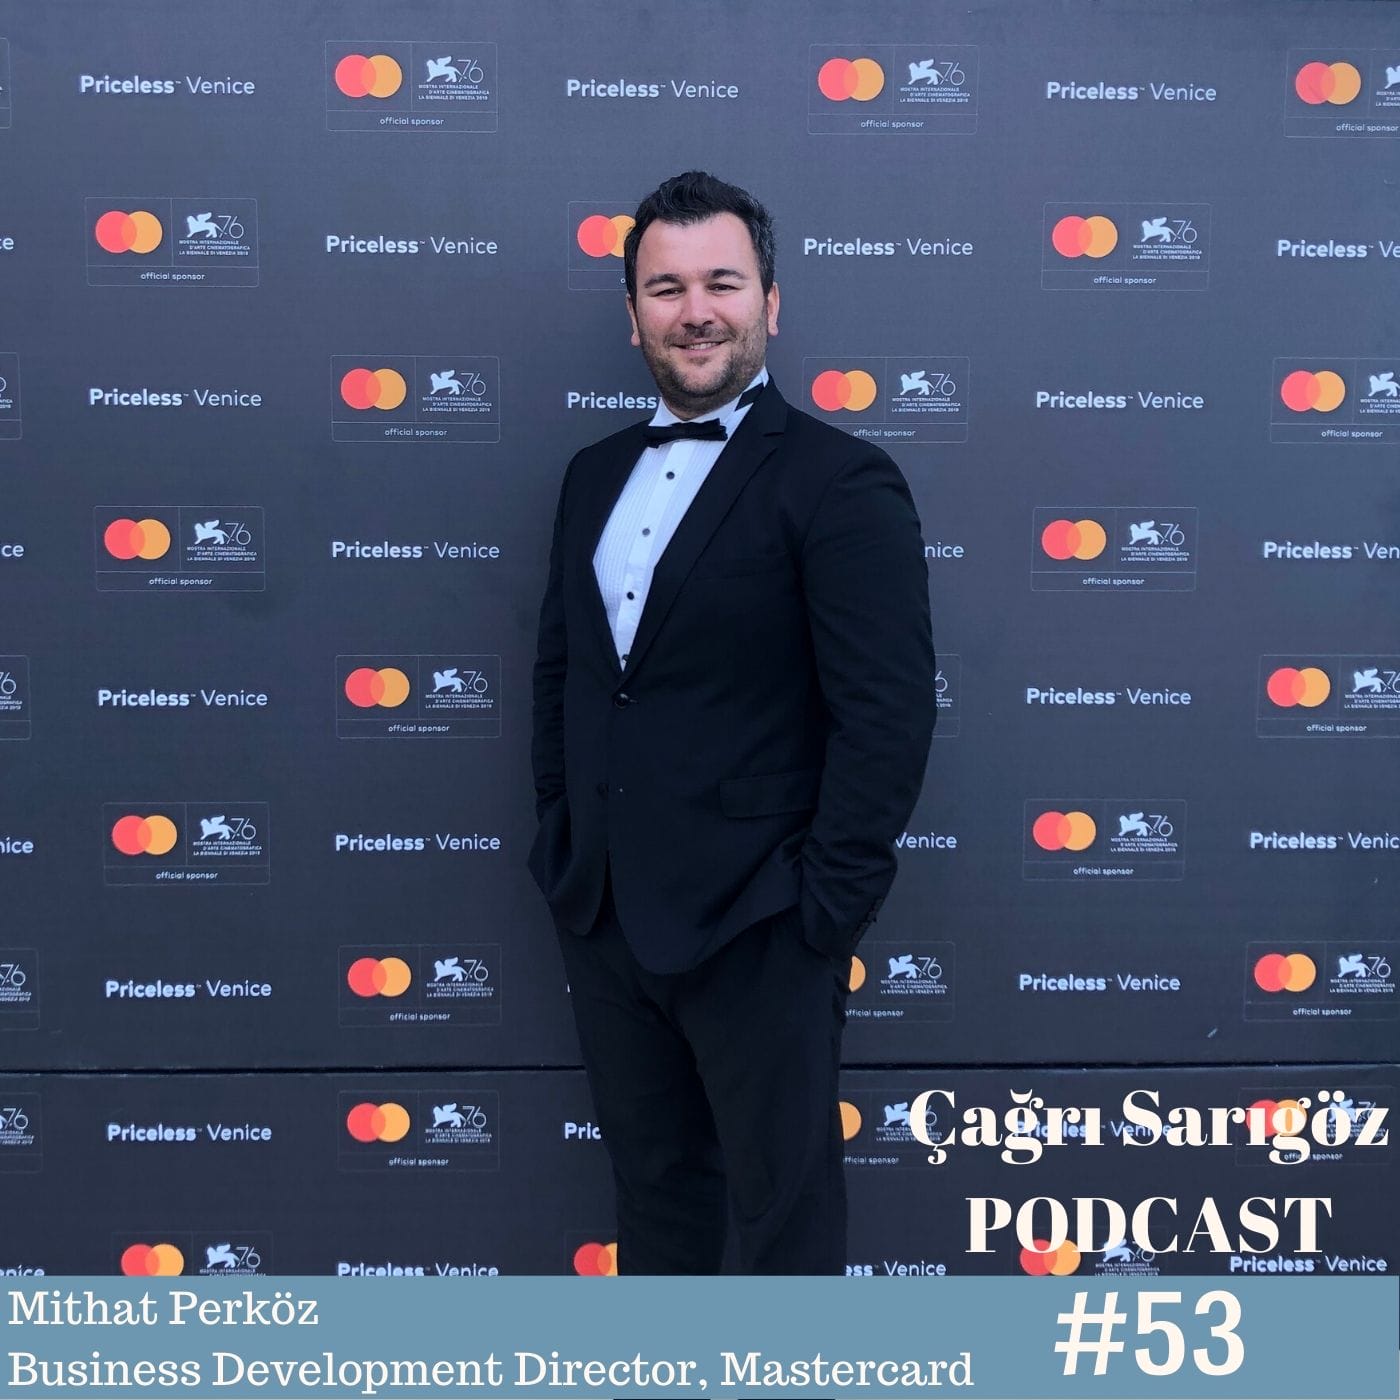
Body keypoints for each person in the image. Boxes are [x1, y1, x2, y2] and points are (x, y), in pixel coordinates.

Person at [530, 171, 936, 1275]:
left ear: (770, 302)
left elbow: (885, 713)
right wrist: (566, 845)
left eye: (721, 281)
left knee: (781, 1224)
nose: (693, 309)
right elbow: (563, 676)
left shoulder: (840, 481)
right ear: (630, 314)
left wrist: (819, 916)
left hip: (762, 922)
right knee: (654, 1204)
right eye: (664, 287)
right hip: (609, 917)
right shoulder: (589, 476)